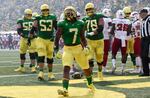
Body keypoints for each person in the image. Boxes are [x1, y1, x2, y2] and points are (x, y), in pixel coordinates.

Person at [55, 6, 95, 97]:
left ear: (75, 13)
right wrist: (56, 49)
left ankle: (90, 83)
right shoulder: (62, 23)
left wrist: (86, 46)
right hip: (67, 49)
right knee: (66, 67)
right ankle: (65, 89)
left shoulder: (80, 23)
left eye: (70, 12)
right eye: (67, 12)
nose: (69, 14)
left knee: (86, 68)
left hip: (78, 48)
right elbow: (57, 37)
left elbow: (82, 37)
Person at [29, 4, 57, 80]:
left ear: (48, 10)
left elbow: (56, 27)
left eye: (46, 10)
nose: (45, 11)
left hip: (50, 39)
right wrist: (29, 38)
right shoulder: (38, 18)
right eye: (44, 10)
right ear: (41, 11)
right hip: (41, 39)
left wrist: (58, 36)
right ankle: (41, 72)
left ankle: (50, 73)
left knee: (50, 56)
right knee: (41, 56)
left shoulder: (51, 17)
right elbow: (33, 28)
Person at [82, 2, 104, 80]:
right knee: (89, 58)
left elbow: (101, 28)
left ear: (93, 9)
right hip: (89, 41)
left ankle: (100, 73)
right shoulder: (84, 19)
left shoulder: (99, 16)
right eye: (88, 9)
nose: (89, 10)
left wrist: (92, 33)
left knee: (100, 56)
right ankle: (90, 76)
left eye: (90, 9)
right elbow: (82, 30)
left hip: (99, 40)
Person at [14, 9, 36, 73]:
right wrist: (23, 35)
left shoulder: (34, 20)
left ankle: (33, 67)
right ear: (25, 14)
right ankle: (22, 67)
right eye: (28, 14)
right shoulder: (20, 20)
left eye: (30, 15)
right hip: (24, 39)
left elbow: (37, 29)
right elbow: (19, 30)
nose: (29, 16)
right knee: (22, 53)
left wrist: (34, 35)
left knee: (32, 53)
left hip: (31, 39)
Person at [110, 10, 131, 74]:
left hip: (117, 38)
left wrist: (114, 34)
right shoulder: (128, 21)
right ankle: (122, 69)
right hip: (124, 39)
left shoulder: (115, 20)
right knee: (124, 54)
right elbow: (129, 31)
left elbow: (112, 30)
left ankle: (114, 65)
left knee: (113, 53)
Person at [139, 9, 150, 76]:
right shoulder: (143, 20)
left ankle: (146, 71)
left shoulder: (149, 18)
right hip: (143, 39)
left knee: (146, 55)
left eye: (141, 13)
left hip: (148, 38)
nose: (140, 15)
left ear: (144, 13)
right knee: (143, 55)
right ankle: (146, 72)